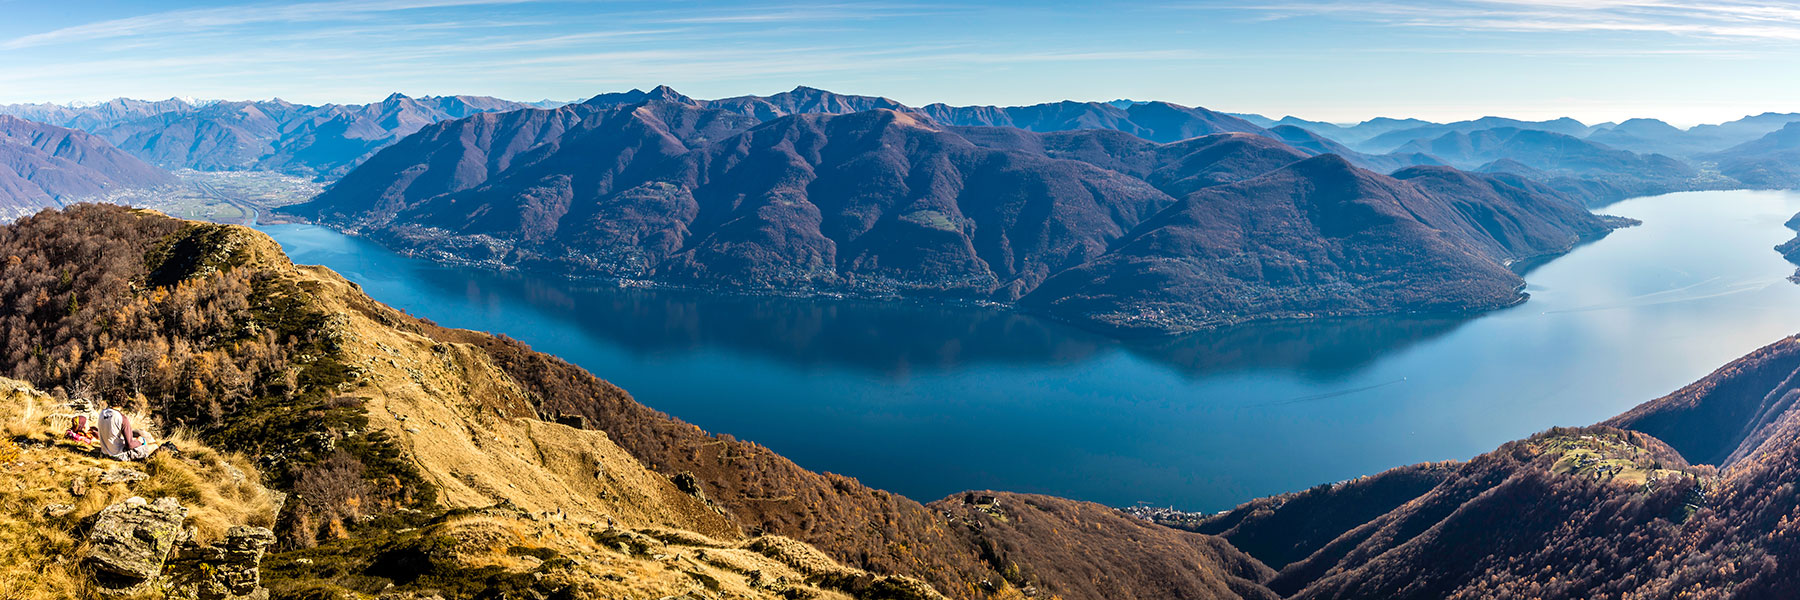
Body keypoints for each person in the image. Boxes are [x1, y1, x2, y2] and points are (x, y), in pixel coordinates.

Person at [95, 395, 171, 461]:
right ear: (123, 402)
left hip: (104, 451)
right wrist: (139, 441)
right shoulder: (122, 418)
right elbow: (130, 445)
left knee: (140, 434)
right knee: (154, 446)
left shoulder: (103, 412)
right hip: (118, 456)